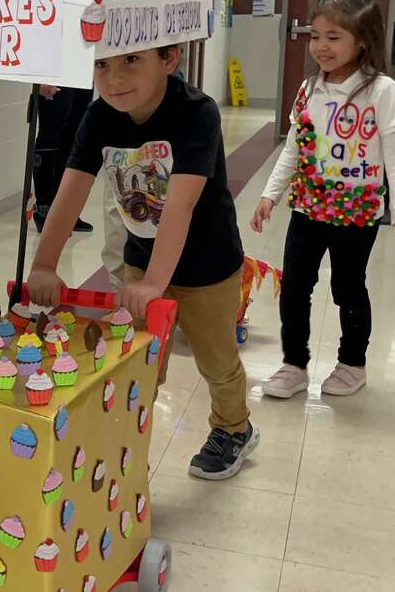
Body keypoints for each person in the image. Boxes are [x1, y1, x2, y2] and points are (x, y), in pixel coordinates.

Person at [27, 43, 260, 481]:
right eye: (102, 64)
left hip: (207, 266)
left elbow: (181, 205)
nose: (115, 78)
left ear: (168, 60)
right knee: (140, 361)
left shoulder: (197, 112)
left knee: (216, 359)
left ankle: (234, 429)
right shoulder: (99, 117)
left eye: (131, 61)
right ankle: (126, 437)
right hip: (142, 262)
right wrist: (43, 264)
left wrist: (155, 283)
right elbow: (71, 188)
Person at [251, 0, 395, 399]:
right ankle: (294, 364)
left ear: (362, 40)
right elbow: (294, 146)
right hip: (308, 207)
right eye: (315, 36)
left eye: (333, 37)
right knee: (295, 286)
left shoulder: (381, 91)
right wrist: (271, 194)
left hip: (356, 212)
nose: (321, 47)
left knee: (348, 287)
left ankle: (352, 363)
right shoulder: (309, 90)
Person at [24, 0, 100, 234]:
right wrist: (38, 75)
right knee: (52, 137)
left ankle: (65, 211)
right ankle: (43, 207)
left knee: (74, 139)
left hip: (81, 64)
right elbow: (28, 22)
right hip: (53, 66)